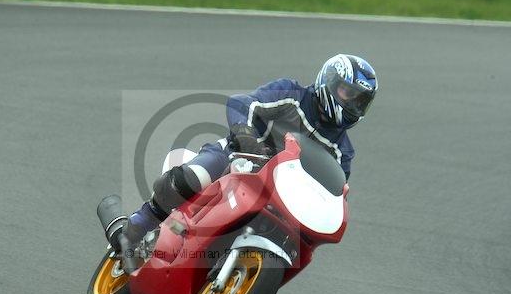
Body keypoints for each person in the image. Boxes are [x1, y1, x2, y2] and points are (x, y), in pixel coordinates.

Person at [116, 54, 378, 249]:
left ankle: (252, 277)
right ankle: (139, 224)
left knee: (293, 243)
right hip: (237, 158)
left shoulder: (342, 151)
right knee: (192, 178)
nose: (352, 104)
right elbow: (243, 104)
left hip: (280, 196)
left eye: (359, 100)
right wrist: (246, 138)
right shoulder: (291, 94)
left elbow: (332, 191)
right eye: (347, 92)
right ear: (329, 81)